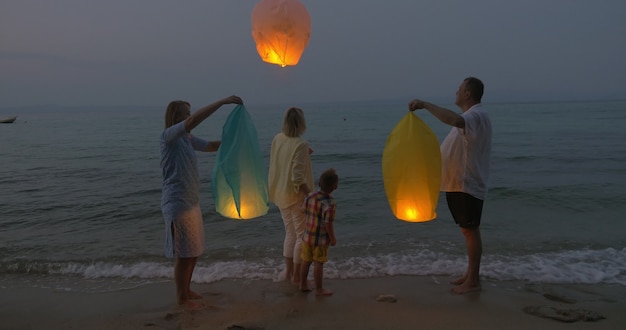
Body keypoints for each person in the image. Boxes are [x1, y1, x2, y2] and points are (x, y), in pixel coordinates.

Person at [408, 77, 492, 294]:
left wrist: (425, 105)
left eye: (460, 88)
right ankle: (470, 275)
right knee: (467, 230)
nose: (456, 91)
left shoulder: (474, 115)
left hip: (467, 183)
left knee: (470, 230)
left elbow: (455, 121)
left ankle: (473, 281)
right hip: (459, 184)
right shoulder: (473, 116)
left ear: (467, 94)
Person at [160, 95, 243, 308]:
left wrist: (235, 141)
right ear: (177, 117)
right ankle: (181, 297)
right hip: (177, 204)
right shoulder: (169, 136)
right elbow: (191, 122)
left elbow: (211, 146)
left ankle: (187, 290)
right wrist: (221, 102)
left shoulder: (187, 138)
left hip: (191, 202)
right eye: (187, 113)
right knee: (183, 254)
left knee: (193, 251)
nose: (190, 117)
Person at [268, 107, 315, 284]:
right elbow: (296, 178)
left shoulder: (278, 138)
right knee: (302, 236)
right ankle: (297, 277)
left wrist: (305, 154)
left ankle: (288, 273)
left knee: (290, 233)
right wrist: (311, 196)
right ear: (301, 123)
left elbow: (282, 158)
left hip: (280, 193)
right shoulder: (301, 144)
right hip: (295, 196)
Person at [299, 168, 338, 296]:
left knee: (306, 261)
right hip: (320, 240)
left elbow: (302, 210)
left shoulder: (310, 196)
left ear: (319, 184)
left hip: (307, 237)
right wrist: (332, 238)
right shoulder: (330, 202)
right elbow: (328, 223)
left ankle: (303, 284)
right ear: (335, 187)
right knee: (319, 263)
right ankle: (319, 289)